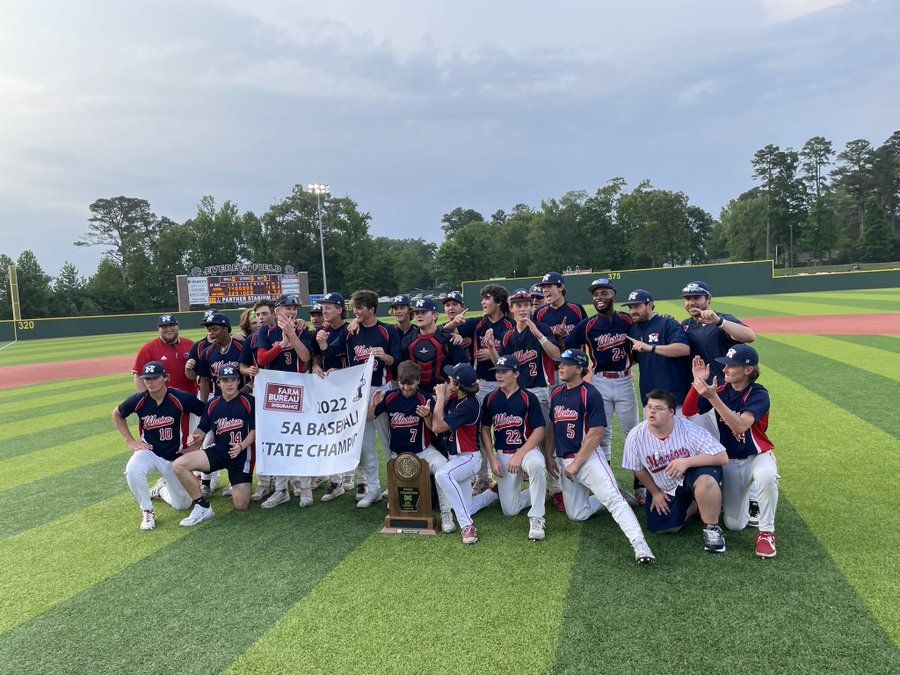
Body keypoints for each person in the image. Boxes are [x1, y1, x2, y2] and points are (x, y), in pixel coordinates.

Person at [547, 349, 655, 564]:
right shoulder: (557, 393)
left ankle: (640, 546)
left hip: (587, 459)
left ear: (579, 369)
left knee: (614, 501)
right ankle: (609, 492)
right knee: (577, 514)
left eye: (566, 364)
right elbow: (552, 427)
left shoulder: (590, 393)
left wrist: (576, 464)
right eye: (560, 363)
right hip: (565, 460)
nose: (561, 367)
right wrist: (549, 456)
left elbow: (596, 433)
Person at [683, 346, 779, 559]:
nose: (725, 369)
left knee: (766, 475)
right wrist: (697, 382)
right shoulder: (722, 391)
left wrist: (713, 399)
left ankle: (766, 533)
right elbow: (689, 411)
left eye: (731, 365)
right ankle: (751, 501)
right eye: (726, 364)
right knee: (734, 525)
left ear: (748, 370)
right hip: (731, 461)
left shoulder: (759, 394)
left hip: (758, 455)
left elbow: (740, 426)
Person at [680, 279, 760, 526]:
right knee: (708, 448)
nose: (691, 302)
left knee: (737, 445)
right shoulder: (685, 325)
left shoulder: (721, 319)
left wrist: (719, 322)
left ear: (708, 299)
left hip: (727, 395)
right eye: (688, 298)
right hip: (702, 395)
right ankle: (713, 494)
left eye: (696, 297)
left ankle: (753, 498)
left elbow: (750, 336)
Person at [622, 389, 729, 553]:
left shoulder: (688, 429)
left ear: (671, 412)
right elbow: (638, 469)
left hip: (694, 475)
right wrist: (656, 493)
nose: (652, 411)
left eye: (658, 408)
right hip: (665, 486)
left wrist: (687, 462)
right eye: (649, 407)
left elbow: (722, 456)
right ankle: (695, 504)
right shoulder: (636, 435)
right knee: (662, 527)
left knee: (705, 481)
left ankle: (712, 528)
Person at [322, 289, 400, 508]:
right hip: (357, 393)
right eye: (354, 307)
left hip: (381, 390)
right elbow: (333, 353)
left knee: (389, 441)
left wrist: (385, 357)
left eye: (359, 308)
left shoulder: (387, 330)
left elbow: (398, 360)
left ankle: (395, 486)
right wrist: (324, 344)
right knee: (366, 445)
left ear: (371, 309)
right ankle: (373, 489)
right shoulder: (351, 331)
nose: (355, 311)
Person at [113, 362, 207, 530]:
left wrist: (198, 442)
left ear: (166, 378)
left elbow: (208, 414)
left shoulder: (181, 398)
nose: (150, 382)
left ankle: (161, 489)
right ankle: (147, 510)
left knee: (183, 505)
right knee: (133, 470)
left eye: (155, 377)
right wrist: (130, 441)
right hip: (150, 451)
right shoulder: (140, 400)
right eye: (147, 378)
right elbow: (117, 414)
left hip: (176, 456)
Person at [445, 284, 514, 494]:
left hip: (506, 384)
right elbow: (442, 332)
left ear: (499, 302)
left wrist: (491, 353)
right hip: (482, 384)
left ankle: (512, 476)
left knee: (507, 428)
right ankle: (483, 478)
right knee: (480, 431)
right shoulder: (478, 323)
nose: (483, 302)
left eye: (487, 298)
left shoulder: (510, 325)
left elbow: (511, 360)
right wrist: (453, 324)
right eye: (482, 298)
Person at [368, 361, 453, 531]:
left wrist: (427, 415)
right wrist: (374, 404)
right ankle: (398, 510)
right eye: (403, 383)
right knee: (399, 502)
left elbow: (433, 428)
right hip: (398, 455)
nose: (406, 388)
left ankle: (446, 513)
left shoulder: (424, 398)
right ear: (398, 381)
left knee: (443, 468)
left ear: (418, 381)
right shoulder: (390, 397)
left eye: (410, 384)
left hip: (423, 452)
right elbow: (369, 418)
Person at [500, 288, 564, 512]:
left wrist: (539, 335)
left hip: (540, 391)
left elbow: (556, 355)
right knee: (522, 439)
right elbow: (504, 366)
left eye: (526, 304)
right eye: (518, 305)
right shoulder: (508, 336)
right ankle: (530, 483)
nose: (523, 308)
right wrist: (491, 350)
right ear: (511, 309)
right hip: (518, 392)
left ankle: (557, 488)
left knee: (547, 440)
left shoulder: (542, 328)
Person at [173, 365, 255, 527]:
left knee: (241, 506)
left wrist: (241, 446)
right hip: (219, 452)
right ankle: (202, 506)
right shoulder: (213, 404)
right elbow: (202, 429)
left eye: (233, 380)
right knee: (179, 464)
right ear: (218, 383)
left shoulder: (249, 401)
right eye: (225, 380)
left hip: (241, 456)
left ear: (238, 381)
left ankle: (238, 485)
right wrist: (194, 436)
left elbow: (255, 431)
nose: (229, 383)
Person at [255, 294, 315, 509]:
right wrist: (281, 344)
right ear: (277, 311)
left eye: (294, 308)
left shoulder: (302, 329)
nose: (291, 311)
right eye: (287, 308)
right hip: (274, 393)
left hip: (297, 391)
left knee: (300, 441)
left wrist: (292, 335)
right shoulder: (265, 331)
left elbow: (306, 357)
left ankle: (305, 488)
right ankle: (281, 490)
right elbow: (262, 359)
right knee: (277, 443)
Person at [480, 355, 548, 540]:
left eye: (504, 372)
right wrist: (492, 458)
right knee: (510, 510)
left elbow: (539, 431)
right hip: (503, 454)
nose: (499, 375)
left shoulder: (528, 398)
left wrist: (519, 455)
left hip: (527, 451)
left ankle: (537, 517)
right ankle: (539, 491)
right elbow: (485, 429)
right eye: (497, 372)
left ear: (516, 374)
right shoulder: (490, 399)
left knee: (536, 465)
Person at [431, 364, 496, 544]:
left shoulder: (470, 404)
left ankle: (467, 526)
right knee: (467, 507)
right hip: (456, 458)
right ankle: (493, 494)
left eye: (451, 378)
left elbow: (437, 426)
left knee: (442, 474)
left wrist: (440, 398)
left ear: (458, 385)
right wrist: (436, 406)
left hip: (469, 458)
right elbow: (434, 425)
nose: (447, 380)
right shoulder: (455, 398)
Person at [312, 292, 357, 501]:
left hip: (350, 387)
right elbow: (317, 356)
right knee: (331, 435)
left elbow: (353, 359)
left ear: (339, 309)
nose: (324, 311)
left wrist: (325, 348)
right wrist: (315, 366)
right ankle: (336, 481)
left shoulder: (351, 330)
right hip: (329, 389)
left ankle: (360, 480)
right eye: (323, 307)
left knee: (354, 434)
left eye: (328, 307)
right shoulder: (321, 331)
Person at [622, 289, 691, 408]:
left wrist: (651, 348)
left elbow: (684, 349)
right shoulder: (634, 330)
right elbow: (636, 359)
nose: (632, 311)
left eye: (637, 307)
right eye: (630, 307)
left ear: (649, 305)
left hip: (674, 396)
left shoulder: (668, 324)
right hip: (649, 397)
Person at [401, 297, 468, 393]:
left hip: (444, 392)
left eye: (423, 312)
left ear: (435, 316)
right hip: (417, 394)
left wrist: (450, 388)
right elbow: (402, 370)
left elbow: (463, 367)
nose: (419, 316)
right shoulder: (408, 339)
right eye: (417, 313)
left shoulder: (448, 338)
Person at [132, 315, 197, 396]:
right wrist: (144, 398)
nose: (168, 329)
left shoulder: (190, 344)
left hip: (190, 396)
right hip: (163, 399)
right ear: (158, 328)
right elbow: (138, 374)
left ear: (178, 326)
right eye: (164, 326)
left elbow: (198, 373)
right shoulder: (148, 348)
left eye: (171, 325)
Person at [534, 271, 587, 351]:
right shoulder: (538, 314)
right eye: (544, 287)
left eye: (549, 286)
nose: (545, 290)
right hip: (550, 359)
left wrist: (567, 336)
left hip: (575, 358)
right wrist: (554, 336)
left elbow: (586, 337)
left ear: (561, 287)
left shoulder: (577, 309)